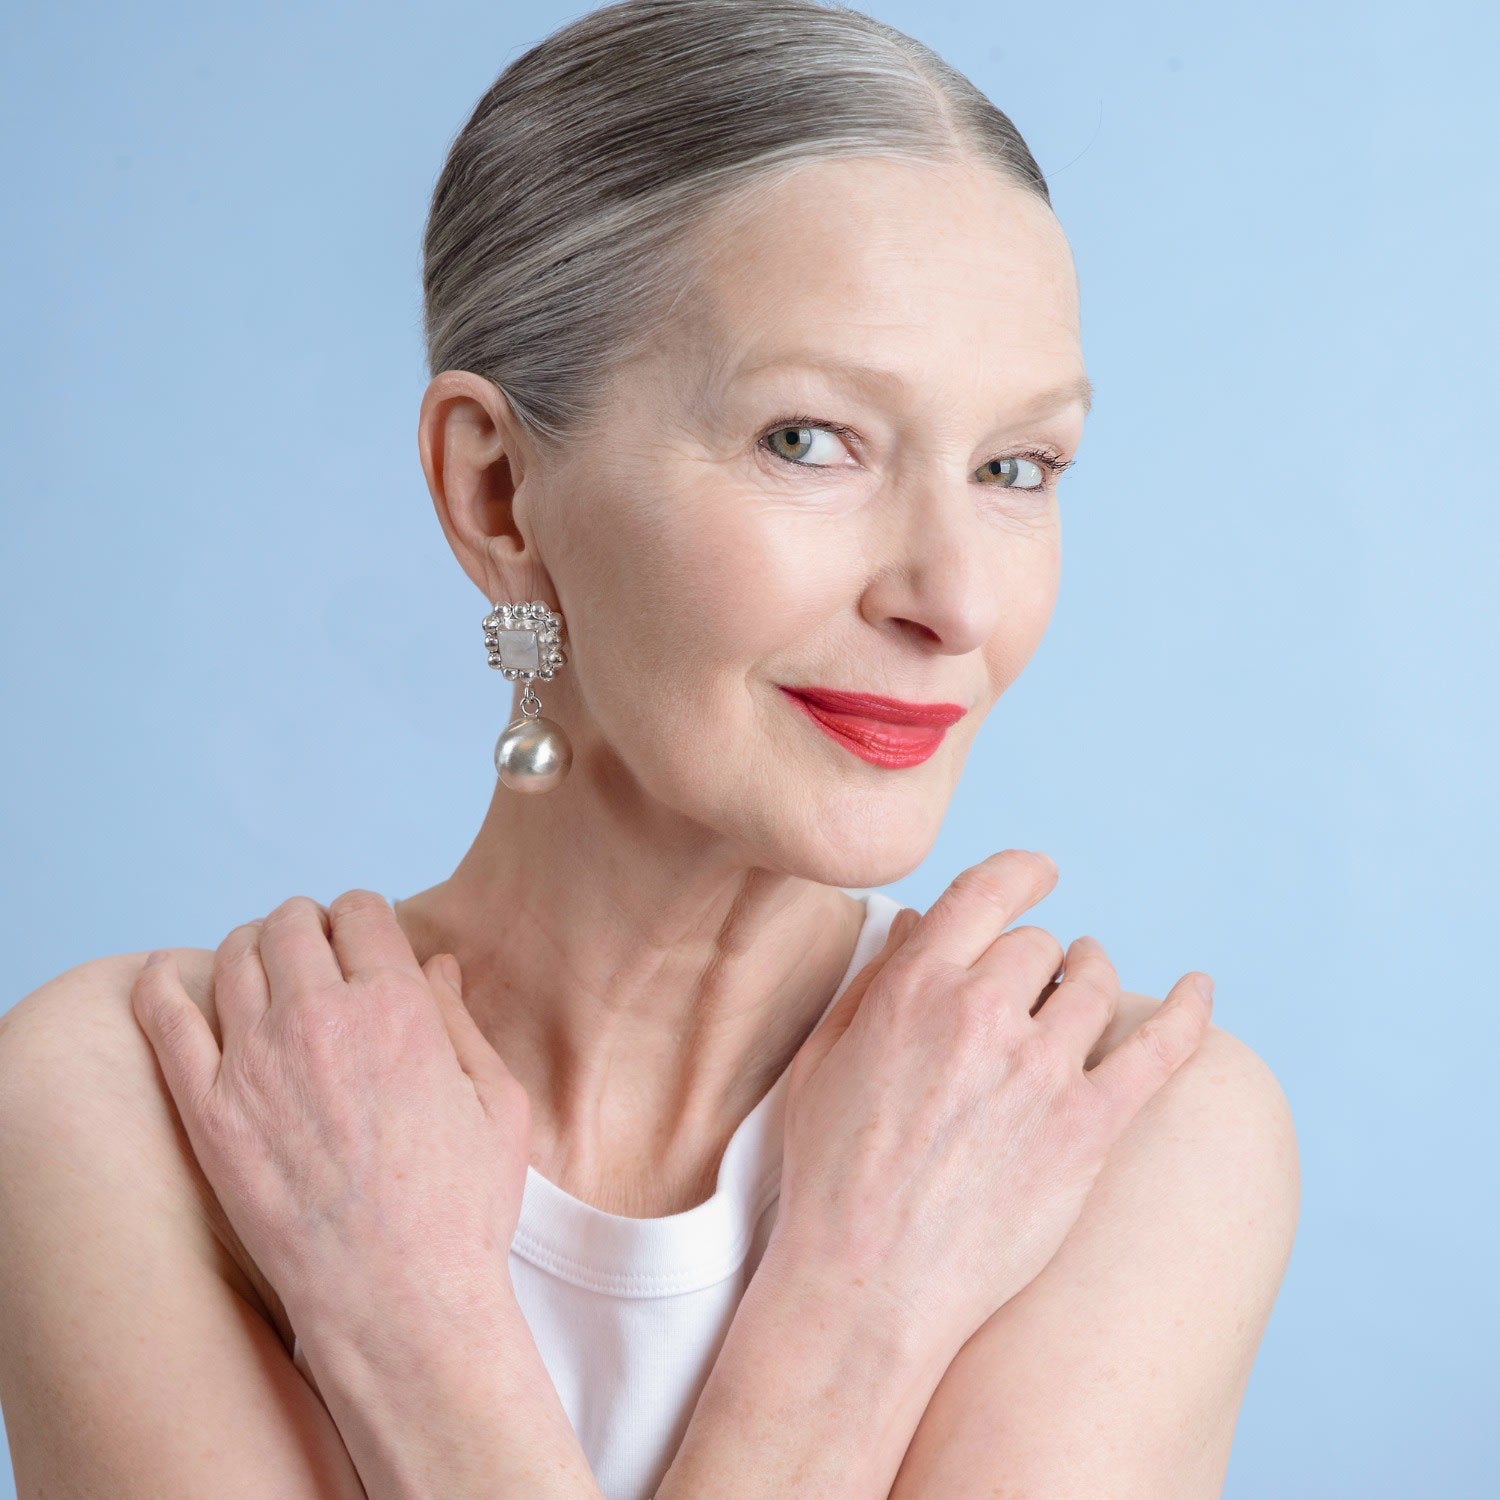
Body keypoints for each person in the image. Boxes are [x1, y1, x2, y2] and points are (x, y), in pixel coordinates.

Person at [0, 1, 1300, 1496]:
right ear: (498, 495)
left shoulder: (1126, 1134)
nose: (955, 600)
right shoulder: (146, 1101)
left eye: (1018, 467)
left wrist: (427, 1347)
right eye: (810, 439)